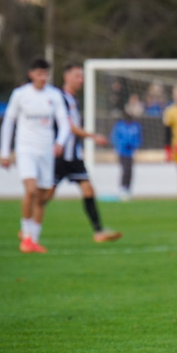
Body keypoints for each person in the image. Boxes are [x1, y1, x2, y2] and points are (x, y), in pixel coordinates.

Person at [43, 62, 122, 243]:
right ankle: (29, 226)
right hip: (61, 155)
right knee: (46, 194)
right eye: (77, 76)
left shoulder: (73, 100)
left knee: (88, 189)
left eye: (82, 76)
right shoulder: (60, 98)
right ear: (67, 77)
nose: (81, 80)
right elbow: (69, 127)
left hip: (74, 156)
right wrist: (93, 136)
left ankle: (99, 232)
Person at [0, 59, 71, 253]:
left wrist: (60, 142)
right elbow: (9, 123)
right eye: (39, 74)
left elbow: (64, 123)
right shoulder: (20, 94)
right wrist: (4, 152)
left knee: (42, 196)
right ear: (32, 74)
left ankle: (34, 238)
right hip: (26, 149)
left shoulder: (54, 95)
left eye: (45, 74)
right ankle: (26, 235)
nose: (42, 78)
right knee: (30, 190)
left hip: (46, 151)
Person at [111, 107, 142, 201]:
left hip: (130, 152)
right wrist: (121, 145)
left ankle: (128, 189)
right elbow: (114, 137)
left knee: (130, 170)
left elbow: (139, 138)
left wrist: (134, 145)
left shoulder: (136, 126)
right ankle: (122, 189)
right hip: (122, 152)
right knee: (125, 169)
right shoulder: (119, 125)